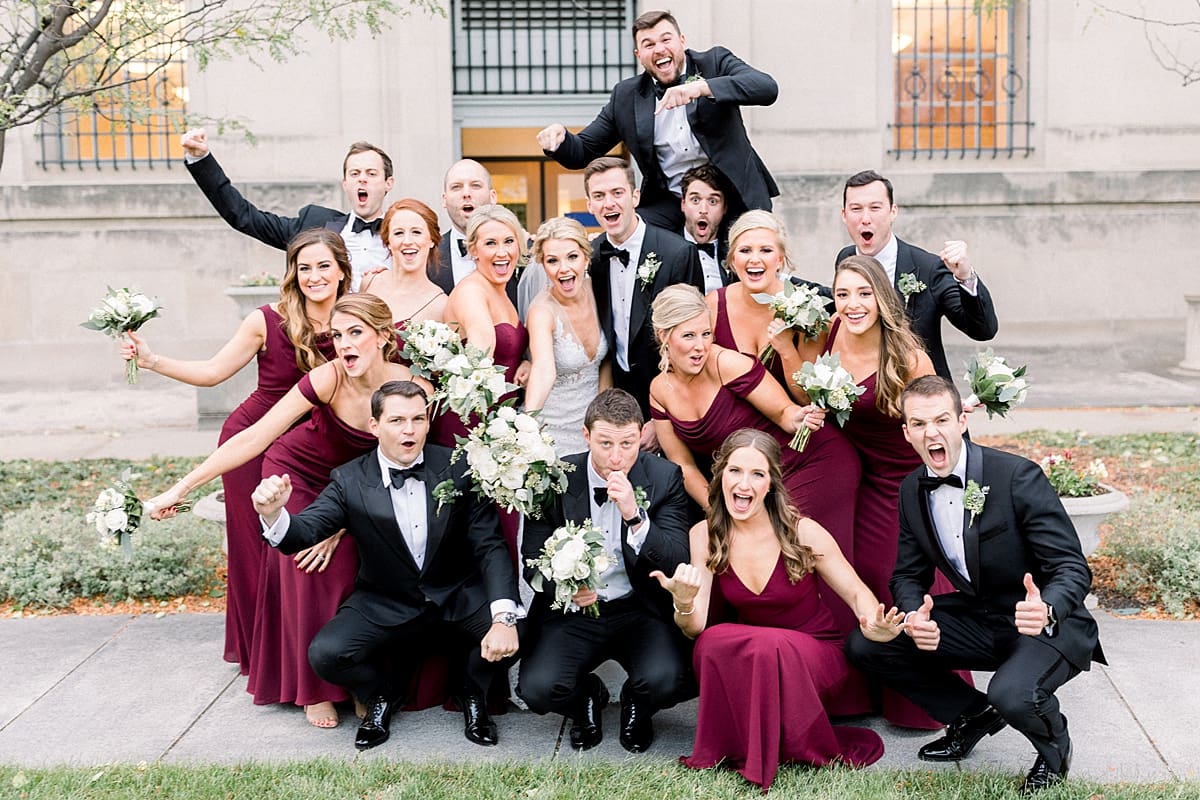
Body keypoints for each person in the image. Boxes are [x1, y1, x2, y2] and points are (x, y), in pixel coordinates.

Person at [144, 295, 419, 729]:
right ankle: (313, 689)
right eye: (337, 335)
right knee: (305, 560)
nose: (343, 345)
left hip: (354, 491)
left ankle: (359, 680)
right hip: (298, 477)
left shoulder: (409, 387)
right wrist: (178, 488)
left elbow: (411, 463)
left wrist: (344, 524)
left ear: (383, 338)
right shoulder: (327, 378)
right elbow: (255, 438)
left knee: (351, 560)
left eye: (355, 334)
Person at [846, 376, 1105, 793]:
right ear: (906, 432)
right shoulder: (912, 489)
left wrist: (1049, 606)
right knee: (870, 644)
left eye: (942, 419)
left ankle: (1055, 749)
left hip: (1045, 623)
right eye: (919, 423)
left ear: (962, 421)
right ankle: (973, 715)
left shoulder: (1017, 476)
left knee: (1014, 693)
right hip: (981, 619)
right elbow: (907, 574)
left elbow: (1071, 566)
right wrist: (913, 617)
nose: (932, 432)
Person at [120, 229, 347, 676]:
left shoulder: (353, 317)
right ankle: (263, 657)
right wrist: (153, 361)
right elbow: (212, 372)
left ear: (342, 270)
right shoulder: (266, 319)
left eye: (324, 265)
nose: (314, 276)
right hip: (250, 444)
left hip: (317, 446)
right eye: (304, 268)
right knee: (259, 552)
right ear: (292, 274)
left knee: (309, 547)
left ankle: (314, 659)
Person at [251, 380, 522, 751]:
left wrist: (503, 619)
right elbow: (304, 531)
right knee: (327, 654)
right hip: (386, 600)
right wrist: (273, 514)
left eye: (417, 419)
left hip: (455, 593)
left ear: (429, 423)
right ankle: (381, 695)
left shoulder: (460, 469)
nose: (409, 430)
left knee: (521, 633)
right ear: (375, 426)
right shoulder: (349, 480)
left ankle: (471, 692)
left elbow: (490, 547)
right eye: (396, 420)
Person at [652, 428, 904, 791]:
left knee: (767, 647)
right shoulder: (704, 535)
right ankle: (739, 743)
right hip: (758, 656)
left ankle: (769, 745)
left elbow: (854, 592)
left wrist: (874, 625)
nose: (745, 483)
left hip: (815, 654)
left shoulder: (804, 532)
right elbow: (695, 627)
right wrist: (684, 601)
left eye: (758, 474)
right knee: (711, 641)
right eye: (735, 471)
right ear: (720, 474)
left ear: (771, 484)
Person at [706, 211, 863, 637]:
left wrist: (786, 348)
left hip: (813, 452)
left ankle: (834, 670)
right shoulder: (712, 306)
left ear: (782, 257)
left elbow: (809, 398)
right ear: (730, 258)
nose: (755, 259)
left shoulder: (806, 309)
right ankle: (773, 664)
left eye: (765, 250)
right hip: (751, 460)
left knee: (812, 558)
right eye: (745, 250)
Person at [517, 389, 692, 754]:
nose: (616, 456)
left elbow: (676, 558)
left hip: (639, 607)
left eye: (628, 443)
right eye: (605, 443)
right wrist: (566, 589)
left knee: (671, 680)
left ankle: (638, 704)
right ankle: (587, 699)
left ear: (640, 434)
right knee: (537, 689)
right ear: (586, 436)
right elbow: (532, 559)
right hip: (575, 612)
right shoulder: (553, 479)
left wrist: (635, 515)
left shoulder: (665, 477)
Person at [537, 9, 778, 230]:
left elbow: (766, 88)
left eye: (666, 39)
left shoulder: (714, 62)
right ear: (639, 55)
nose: (659, 49)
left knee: (748, 264)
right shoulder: (626, 96)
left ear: (681, 41)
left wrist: (701, 88)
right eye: (648, 44)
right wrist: (559, 140)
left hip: (735, 195)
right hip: (670, 204)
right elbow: (583, 150)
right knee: (638, 243)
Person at [648, 284, 819, 510]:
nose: (700, 346)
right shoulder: (659, 391)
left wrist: (799, 418)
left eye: (706, 334)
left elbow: (784, 413)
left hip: (805, 464)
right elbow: (683, 465)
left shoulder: (725, 363)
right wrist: (717, 509)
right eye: (689, 335)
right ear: (664, 336)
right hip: (747, 489)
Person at [181, 129, 394, 291]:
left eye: (371, 173)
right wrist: (201, 160)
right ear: (345, 183)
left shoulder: (408, 235)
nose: (362, 179)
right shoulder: (314, 224)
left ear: (388, 183)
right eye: (355, 173)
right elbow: (243, 216)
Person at [837, 169, 998, 380]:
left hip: (923, 395)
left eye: (875, 208)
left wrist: (965, 276)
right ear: (844, 215)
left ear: (893, 211)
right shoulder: (845, 259)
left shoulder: (928, 268)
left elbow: (982, 330)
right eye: (856, 209)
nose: (865, 218)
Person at [583, 157, 703, 431]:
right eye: (599, 196)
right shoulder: (592, 257)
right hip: (616, 400)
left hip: (671, 399)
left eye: (617, 193)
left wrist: (664, 420)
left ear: (635, 196)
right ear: (590, 205)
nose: (609, 203)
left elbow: (693, 337)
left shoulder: (678, 254)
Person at [439, 204, 530, 562]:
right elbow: (482, 338)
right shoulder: (470, 291)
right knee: (478, 531)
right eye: (490, 243)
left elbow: (508, 347)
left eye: (509, 240)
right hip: (467, 425)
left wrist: (523, 361)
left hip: (499, 425)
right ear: (472, 249)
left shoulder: (504, 290)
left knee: (501, 529)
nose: (502, 251)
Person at [523, 217, 611, 456]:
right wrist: (526, 427)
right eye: (553, 260)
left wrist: (603, 417)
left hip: (596, 427)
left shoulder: (600, 291)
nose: (564, 268)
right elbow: (543, 369)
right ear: (543, 265)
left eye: (572, 257)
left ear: (586, 257)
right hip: (554, 430)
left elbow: (606, 360)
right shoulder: (542, 311)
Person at [359, 199, 447, 330]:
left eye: (416, 232)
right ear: (388, 241)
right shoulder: (370, 281)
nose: (407, 241)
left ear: (432, 240)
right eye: (398, 233)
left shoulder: (441, 305)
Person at [680, 164, 732, 293]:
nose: (703, 210)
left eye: (713, 201)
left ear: (724, 207)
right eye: (695, 200)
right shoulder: (664, 250)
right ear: (683, 204)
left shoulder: (736, 251)